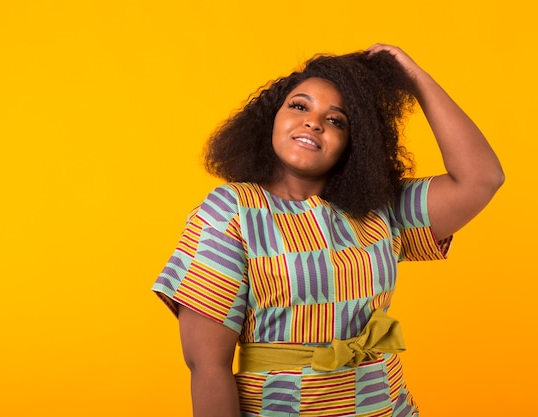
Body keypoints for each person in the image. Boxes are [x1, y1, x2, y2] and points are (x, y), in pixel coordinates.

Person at [152, 43, 504, 417]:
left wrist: (413, 78)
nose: (314, 122)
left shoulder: (379, 209)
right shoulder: (232, 211)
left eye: (336, 120)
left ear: (355, 144)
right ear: (272, 117)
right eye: (299, 106)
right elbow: (207, 367)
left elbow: (482, 179)